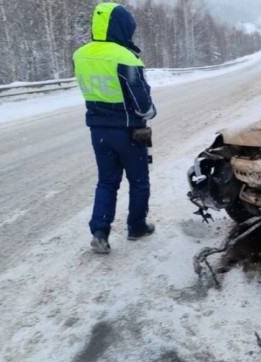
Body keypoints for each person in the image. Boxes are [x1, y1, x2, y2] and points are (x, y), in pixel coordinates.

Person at [73, 2, 156, 254]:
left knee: (107, 182)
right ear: (120, 27)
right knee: (139, 181)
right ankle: (136, 226)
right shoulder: (124, 58)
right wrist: (151, 111)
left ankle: (100, 232)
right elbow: (142, 106)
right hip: (129, 132)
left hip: (98, 131)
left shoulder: (81, 55)